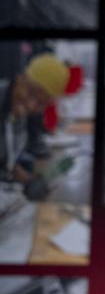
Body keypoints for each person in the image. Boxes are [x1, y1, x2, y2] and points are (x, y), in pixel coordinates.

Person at [1, 52, 80, 201]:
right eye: (31, 92)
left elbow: (6, 161)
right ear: (20, 78)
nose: (31, 105)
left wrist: (29, 182)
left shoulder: (17, 115)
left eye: (42, 103)